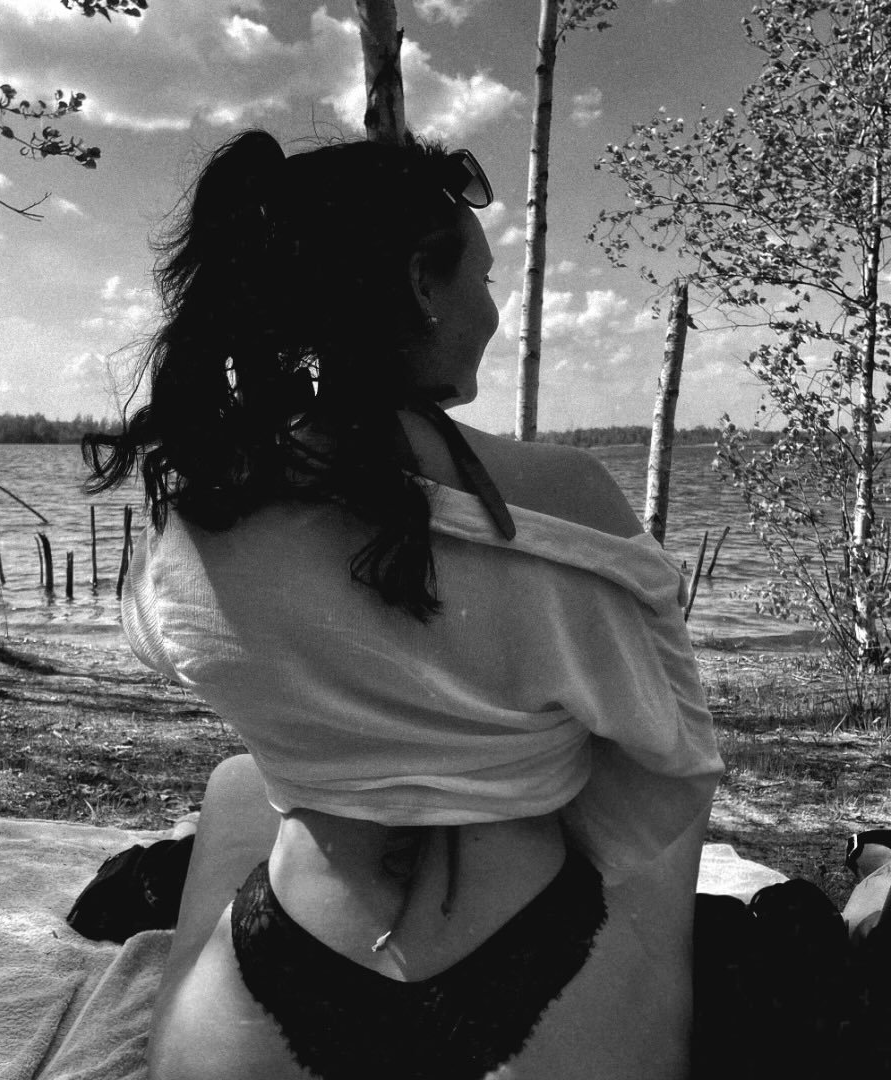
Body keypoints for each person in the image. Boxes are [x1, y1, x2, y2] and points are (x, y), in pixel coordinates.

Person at [84, 130, 724, 1080]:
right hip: (547, 983)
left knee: (238, 782)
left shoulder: (201, 515)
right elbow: (674, 764)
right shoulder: (568, 500)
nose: (492, 309)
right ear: (424, 282)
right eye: (484, 278)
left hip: (256, 1009)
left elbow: (159, 643)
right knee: (664, 828)